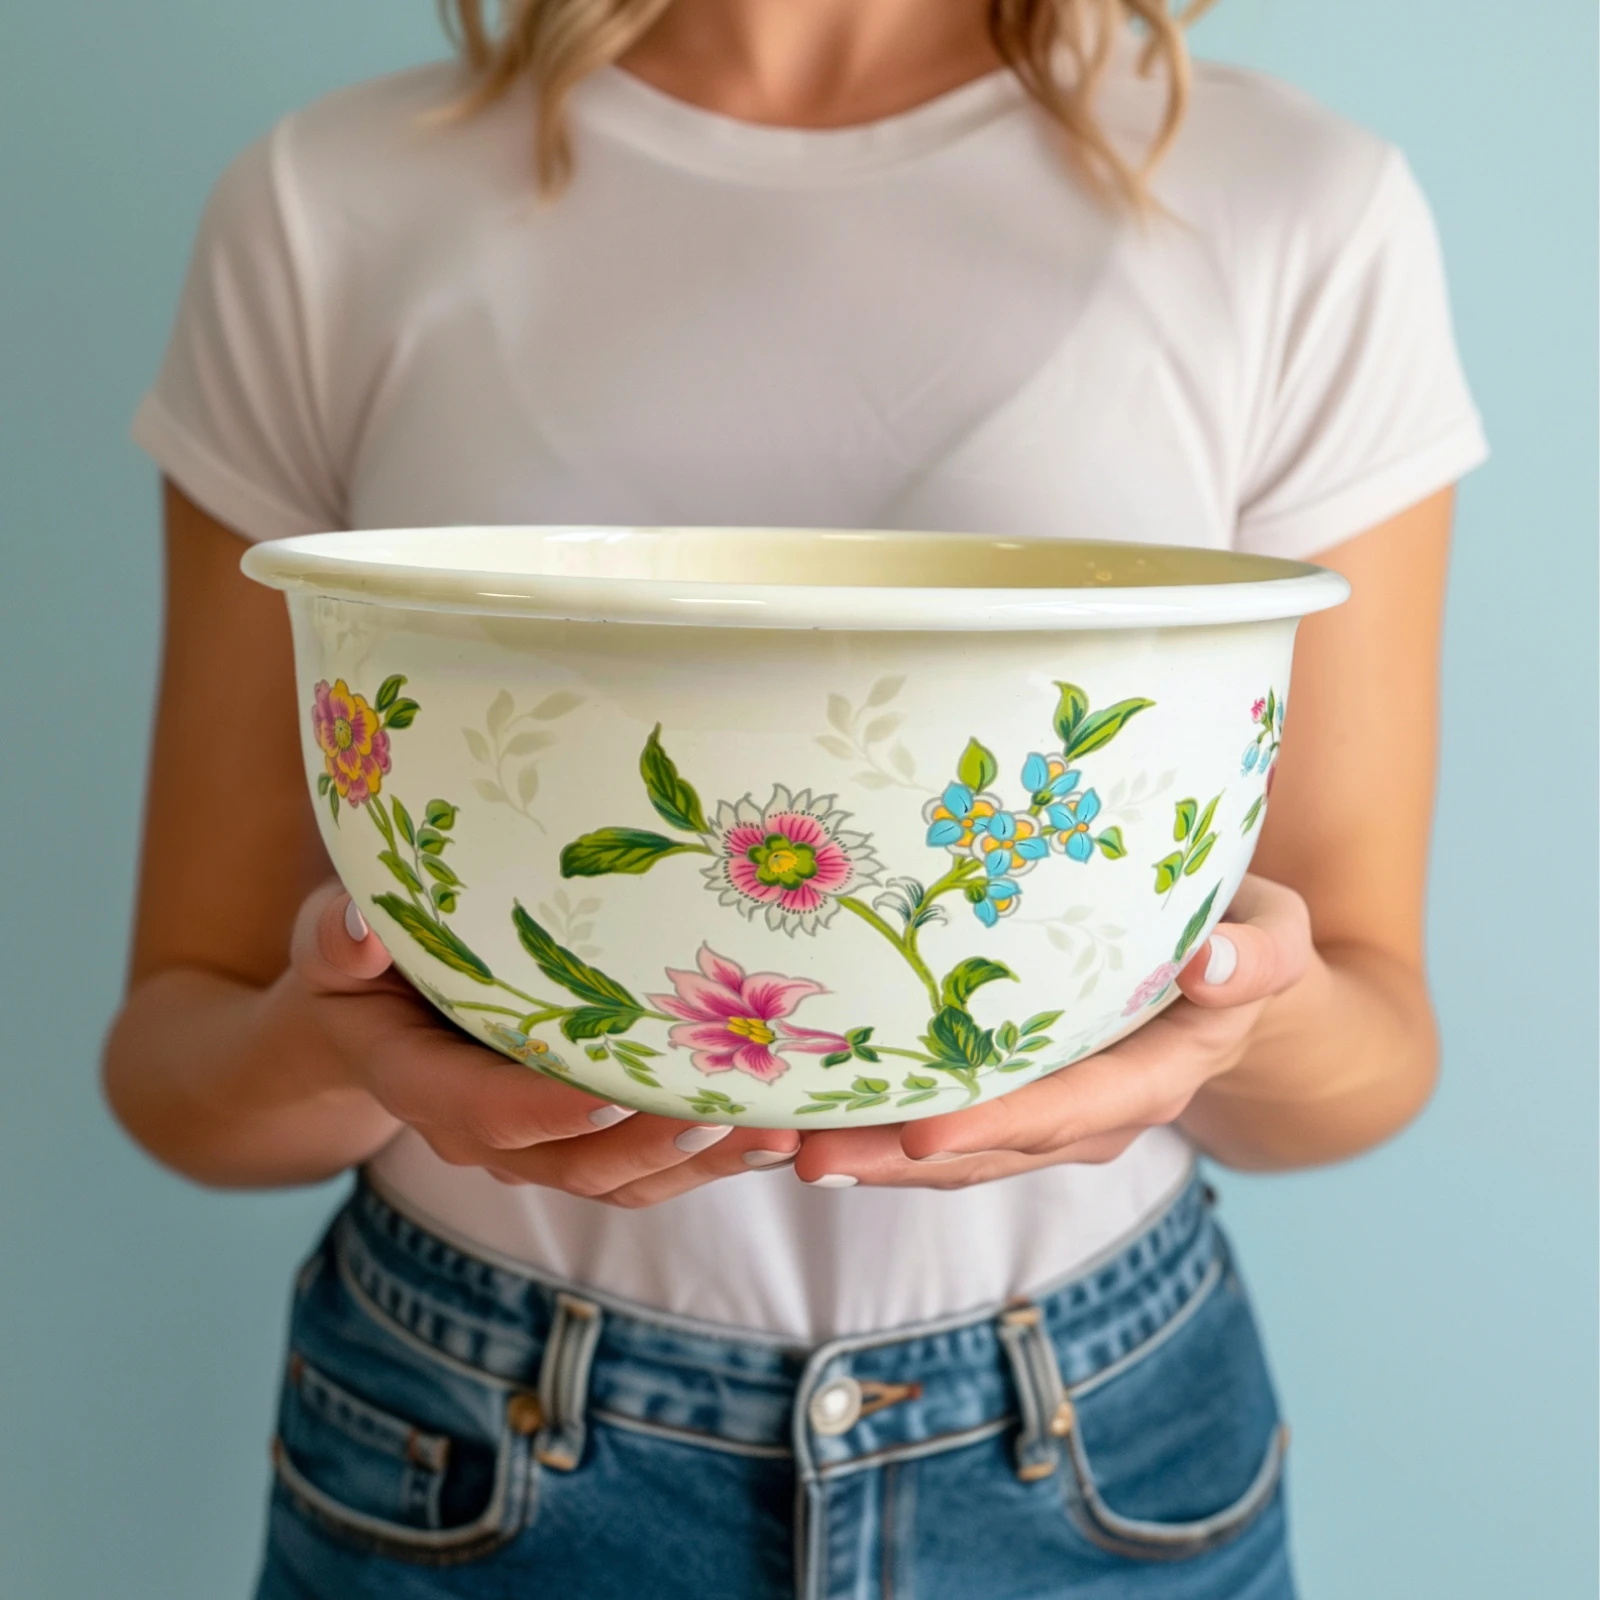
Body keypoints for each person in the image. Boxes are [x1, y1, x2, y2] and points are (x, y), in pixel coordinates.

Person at [107, 1, 1486, 1595]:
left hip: (1091, 1434)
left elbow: (1371, 1043)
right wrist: (352, 1047)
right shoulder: (329, 202)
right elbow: (179, 1060)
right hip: (472, 1419)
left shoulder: (1289, 202)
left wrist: (1233, 1016)